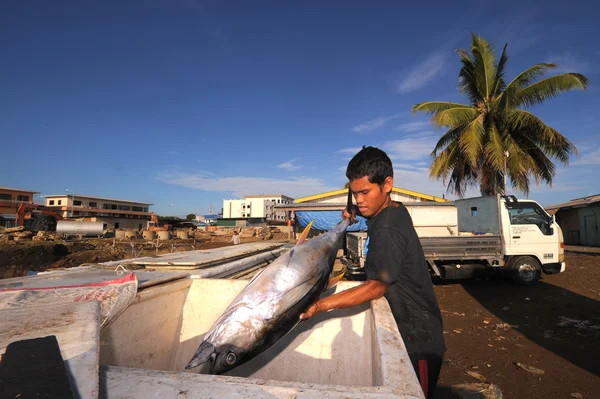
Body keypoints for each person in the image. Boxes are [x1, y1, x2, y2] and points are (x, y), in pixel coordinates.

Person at [299, 146, 445, 398]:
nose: (360, 200)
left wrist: (319, 306)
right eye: (355, 195)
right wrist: (355, 214)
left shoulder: (387, 230)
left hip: (418, 341)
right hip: (414, 328)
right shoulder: (395, 210)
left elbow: (376, 287)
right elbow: (373, 212)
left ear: (387, 184)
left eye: (365, 193)